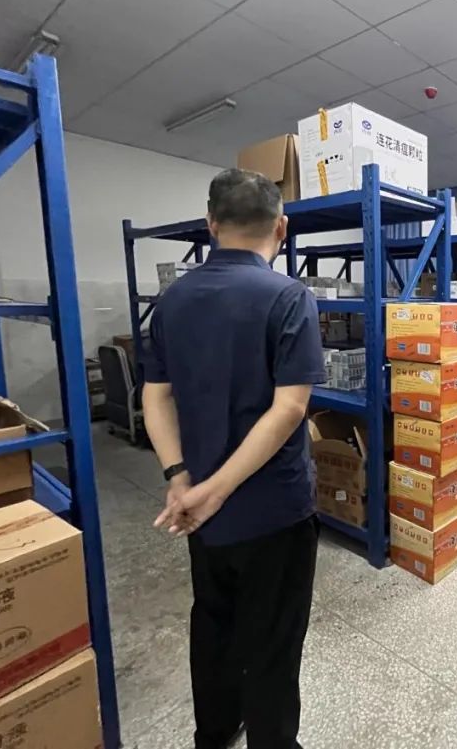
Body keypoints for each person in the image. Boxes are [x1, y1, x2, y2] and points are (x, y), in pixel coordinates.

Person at [142, 168, 327, 749]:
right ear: (282, 228)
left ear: (211, 224)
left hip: (199, 511)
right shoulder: (289, 298)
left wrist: (181, 479)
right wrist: (216, 490)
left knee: (214, 622)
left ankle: (216, 732)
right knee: (273, 641)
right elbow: (290, 409)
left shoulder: (172, 300)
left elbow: (155, 396)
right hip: (273, 511)